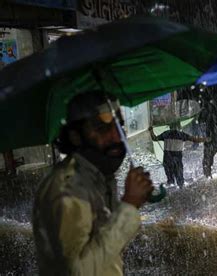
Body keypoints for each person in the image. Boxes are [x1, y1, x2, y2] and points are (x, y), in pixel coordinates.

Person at [32, 91, 154, 276]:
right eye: (103, 129)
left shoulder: (98, 176)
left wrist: (132, 201)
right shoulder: (67, 188)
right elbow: (77, 272)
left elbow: (104, 250)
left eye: (119, 126)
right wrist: (129, 204)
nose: (116, 136)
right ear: (76, 136)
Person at [149, 122, 207, 188]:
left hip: (167, 159)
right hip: (177, 159)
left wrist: (151, 131)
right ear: (179, 127)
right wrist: (205, 139)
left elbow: (154, 138)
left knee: (170, 179)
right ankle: (180, 188)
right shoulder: (181, 135)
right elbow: (195, 140)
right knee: (179, 178)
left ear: (170, 127)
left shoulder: (166, 133)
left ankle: (171, 188)